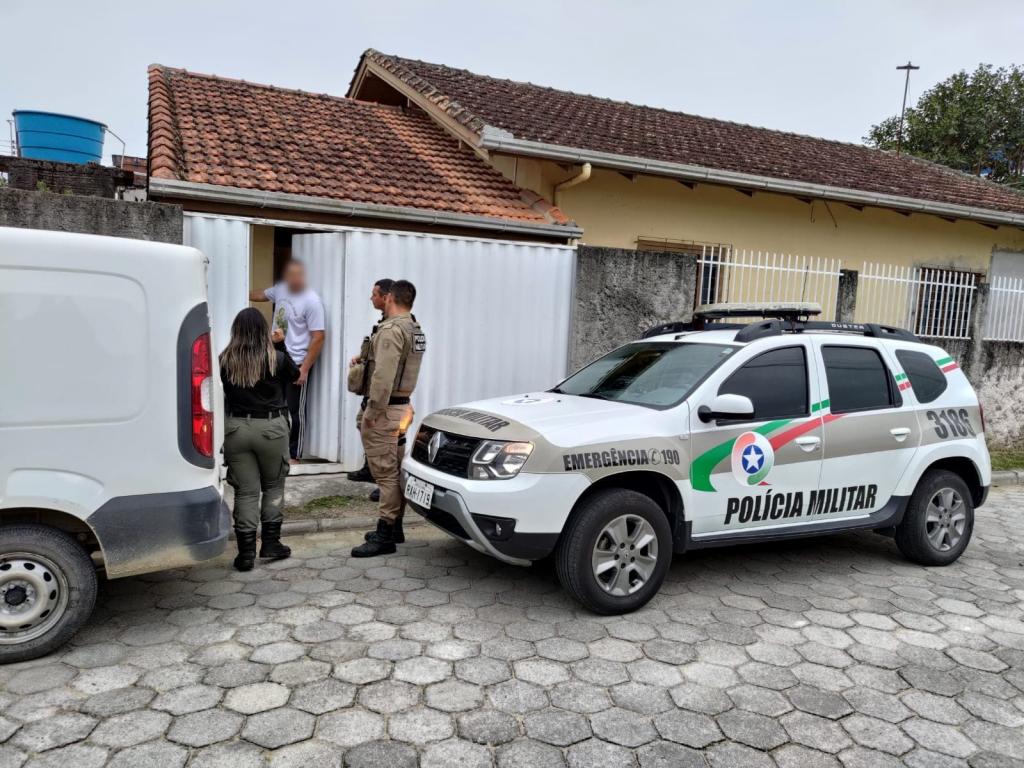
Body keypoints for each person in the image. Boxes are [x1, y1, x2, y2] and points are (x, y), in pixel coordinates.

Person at [220, 308, 299, 571]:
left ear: (236, 331)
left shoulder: (224, 359)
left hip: (235, 429)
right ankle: (271, 543)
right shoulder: (275, 358)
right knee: (274, 486)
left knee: (245, 491)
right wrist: (282, 345)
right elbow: (296, 375)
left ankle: (245, 554)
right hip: (271, 430)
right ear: (262, 331)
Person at [351, 280, 426, 557]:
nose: (373, 297)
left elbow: (383, 376)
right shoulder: (414, 328)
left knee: (385, 475)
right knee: (393, 471)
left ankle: (385, 536)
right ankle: (394, 528)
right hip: (401, 407)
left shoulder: (392, 330)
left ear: (391, 297)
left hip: (386, 410)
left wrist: (373, 410)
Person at [250, 259, 325, 461]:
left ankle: (294, 455)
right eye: (290, 275)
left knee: (294, 411)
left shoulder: (312, 301)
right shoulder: (281, 289)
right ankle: (275, 448)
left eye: (297, 275)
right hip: (276, 358)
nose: (293, 279)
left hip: (297, 362)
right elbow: (261, 295)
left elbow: (318, 337)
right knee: (274, 405)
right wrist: (240, 289)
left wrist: (305, 369)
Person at [348, 278, 394, 496]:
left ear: (386, 297)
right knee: (362, 424)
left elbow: (388, 366)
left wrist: (378, 397)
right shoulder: (384, 323)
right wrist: (362, 357)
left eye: (374, 294)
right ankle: (370, 468)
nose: (371, 297)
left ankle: (383, 482)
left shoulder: (393, 327)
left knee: (381, 436)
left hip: (383, 394)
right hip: (371, 389)